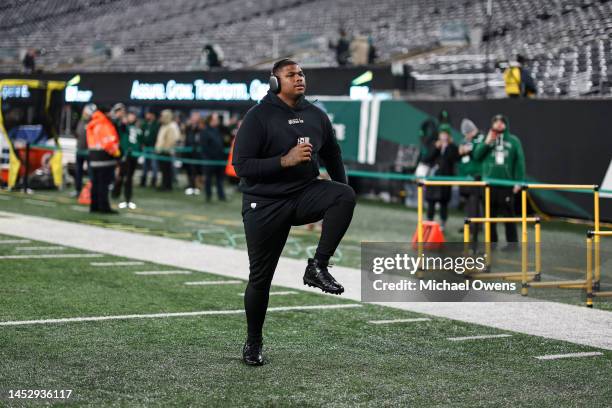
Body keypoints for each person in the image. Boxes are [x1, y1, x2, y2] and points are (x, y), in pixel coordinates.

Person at [233, 59, 355, 366]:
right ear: (275, 83)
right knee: (260, 279)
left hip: (302, 194)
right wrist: (283, 161)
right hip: (265, 202)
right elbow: (242, 166)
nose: (299, 78)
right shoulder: (257, 117)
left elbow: (333, 153)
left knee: (344, 196)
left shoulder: (315, 115)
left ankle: (318, 267)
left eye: (301, 74)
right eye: (291, 75)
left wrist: (339, 191)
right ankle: (253, 342)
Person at [473, 114, 526, 243]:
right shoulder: (486, 138)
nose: (498, 123)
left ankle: (512, 244)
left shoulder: (514, 141)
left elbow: (520, 162)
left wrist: (519, 182)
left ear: (506, 124)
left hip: (507, 185)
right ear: (492, 124)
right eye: (496, 121)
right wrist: (487, 142)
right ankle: (491, 243)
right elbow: (477, 156)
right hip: (489, 185)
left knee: (509, 217)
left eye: (502, 121)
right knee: (489, 216)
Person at [423, 124, 459, 231]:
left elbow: (454, 159)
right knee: (431, 202)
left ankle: (442, 223)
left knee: (444, 202)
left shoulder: (452, 147)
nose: (443, 136)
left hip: (445, 179)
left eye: (445, 134)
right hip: (433, 178)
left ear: (448, 135)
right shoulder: (433, 145)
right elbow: (427, 158)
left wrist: (448, 147)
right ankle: (429, 222)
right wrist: (436, 148)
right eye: (442, 134)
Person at [86, 105, 120, 214]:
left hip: (93, 157)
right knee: (103, 185)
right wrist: (117, 153)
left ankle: (94, 206)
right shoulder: (104, 123)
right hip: (104, 159)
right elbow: (109, 142)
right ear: (105, 113)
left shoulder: (93, 123)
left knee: (95, 184)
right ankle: (104, 207)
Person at [458, 118, 484, 241]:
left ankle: (476, 225)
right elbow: (461, 150)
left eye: (468, 133)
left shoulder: (480, 138)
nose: (466, 136)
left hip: (476, 175)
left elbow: (477, 153)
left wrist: (469, 149)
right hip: (466, 175)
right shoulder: (466, 139)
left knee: (475, 200)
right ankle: (470, 224)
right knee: (468, 201)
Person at [114, 111, 141, 209]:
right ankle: (116, 193)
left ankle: (127, 198)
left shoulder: (138, 128)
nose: (131, 117)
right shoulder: (123, 126)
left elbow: (140, 140)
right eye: (130, 115)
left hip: (134, 156)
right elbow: (119, 128)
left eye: (133, 115)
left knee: (129, 177)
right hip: (125, 155)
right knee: (122, 176)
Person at [200, 113, 226, 202]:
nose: (218, 120)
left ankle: (221, 196)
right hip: (209, 160)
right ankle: (208, 196)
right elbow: (204, 147)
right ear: (211, 120)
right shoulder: (205, 131)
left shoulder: (217, 130)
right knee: (208, 180)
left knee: (220, 179)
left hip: (219, 160)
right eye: (215, 119)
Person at [155, 109, 181, 191]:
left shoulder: (172, 126)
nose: (161, 117)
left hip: (166, 152)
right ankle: (165, 184)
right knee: (164, 170)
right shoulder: (164, 125)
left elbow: (173, 140)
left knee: (167, 170)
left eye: (162, 116)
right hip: (161, 151)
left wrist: (165, 148)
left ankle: (167, 186)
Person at [73, 104, 96, 196]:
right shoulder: (80, 121)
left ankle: (92, 191)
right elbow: (77, 133)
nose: (84, 113)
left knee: (91, 172)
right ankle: (78, 190)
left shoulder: (93, 122)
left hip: (89, 151)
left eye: (86, 112)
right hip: (79, 150)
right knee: (78, 171)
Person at [139, 111, 160, 188]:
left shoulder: (157, 125)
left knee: (154, 165)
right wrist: (142, 143)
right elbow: (141, 134)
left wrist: (156, 146)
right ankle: (143, 180)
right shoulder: (144, 124)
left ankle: (153, 181)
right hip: (146, 147)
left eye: (149, 114)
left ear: (153, 115)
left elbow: (157, 136)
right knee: (145, 165)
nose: (147, 115)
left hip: (153, 147)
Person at [184, 111, 201, 195]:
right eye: (193, 117)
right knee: (189, 170)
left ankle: (196, 186)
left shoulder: (200, 128)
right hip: (188, 152)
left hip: (196, 153)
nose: (194, 119)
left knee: (196, 170)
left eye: (196, 117)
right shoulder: (188, 127)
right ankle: (190, 185)